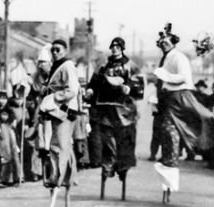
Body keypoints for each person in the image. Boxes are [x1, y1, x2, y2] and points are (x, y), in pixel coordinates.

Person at [151, 23, 214, 196]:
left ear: (173, 43)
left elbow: (183, 77)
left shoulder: (178, 57)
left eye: (166, 42)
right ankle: (168, 175)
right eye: (161, 42)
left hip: (179, 98)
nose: (163, 44)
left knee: (173, 132)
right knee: (167, 134)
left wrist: (162, 74)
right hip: (168, 100)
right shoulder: (167, 58)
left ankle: (170, 175)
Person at [86, 36, 143, 196]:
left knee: (124, 140)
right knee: (107, 141)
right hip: (106, 108)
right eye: (113, 46)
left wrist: (129, 88)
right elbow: (95, 81)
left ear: (122, 48)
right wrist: (90, 89)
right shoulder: (103, 64)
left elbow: (139, 83)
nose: (114, 49)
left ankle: (122, 168)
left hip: (124, 110)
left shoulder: (130, 65)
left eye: (118, 47)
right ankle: (107, 167)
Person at [36, 40, 79, 192]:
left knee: (61, 145)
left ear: (65, 51)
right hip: (54, 111)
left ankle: (61, 177)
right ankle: (58, 175)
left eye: (58, 50)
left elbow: (72, 90)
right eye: (52, 50)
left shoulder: (67, 66)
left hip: (64, 110)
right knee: (55, 145)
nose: (54, 52)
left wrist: (54, 98)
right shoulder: (55, 66)